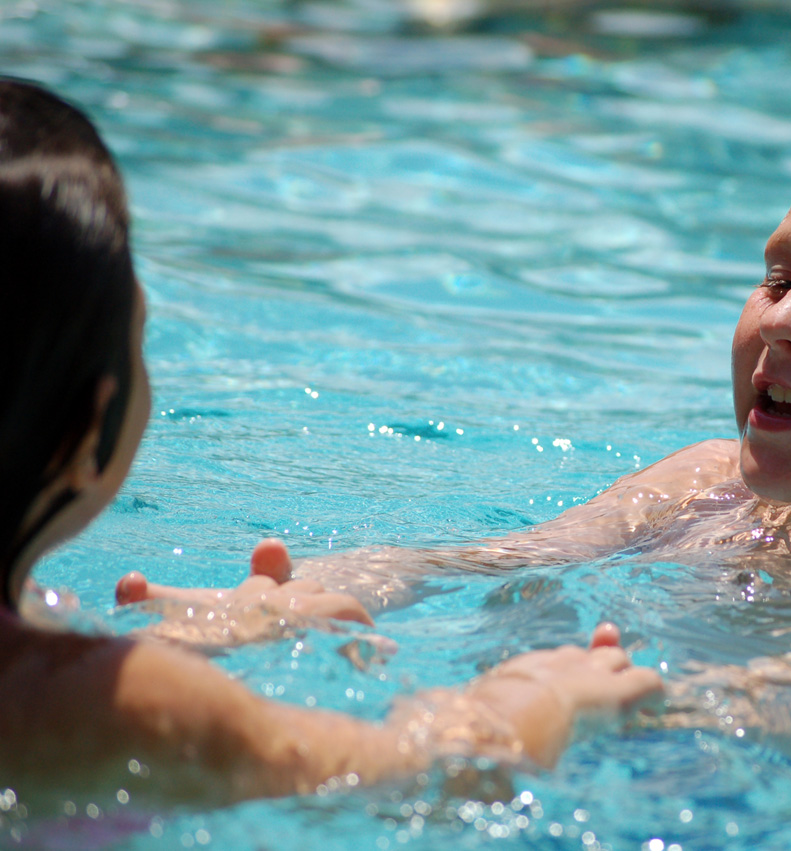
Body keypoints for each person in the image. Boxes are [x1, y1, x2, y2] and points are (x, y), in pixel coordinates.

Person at [122, 111, 791, 618]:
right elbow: (491, 560)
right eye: (775, 273)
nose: (783, 321)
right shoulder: (699, 481)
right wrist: (315, 592)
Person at [0, 78, 663, 817]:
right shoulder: (121, 705)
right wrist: (534, 698)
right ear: (91, 431)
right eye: (142, 341)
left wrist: (215, 631)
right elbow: (413, 773)